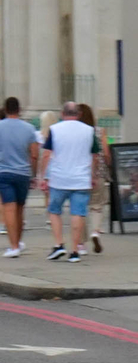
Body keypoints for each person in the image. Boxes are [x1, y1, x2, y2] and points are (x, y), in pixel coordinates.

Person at [36, 102, 103, 263]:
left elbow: (46, 155)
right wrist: (93, 176)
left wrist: (42, 176)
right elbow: (95, 156)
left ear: (62, 114)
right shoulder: (89, 131)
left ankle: (59, 244)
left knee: (54, 211)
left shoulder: (55, 130)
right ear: (78, 114)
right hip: (81, 179)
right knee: (78, 213)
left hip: (59, 178)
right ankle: (75, 250)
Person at [0, 96, 37, 259]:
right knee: (20, 209)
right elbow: (34, 154)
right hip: (23, 173)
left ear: (5, 109)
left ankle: (13, 246)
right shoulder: (29, 129)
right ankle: (18, 242)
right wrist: (33, 174)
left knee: (9, 208)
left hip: (4, 172)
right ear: (19, 110)